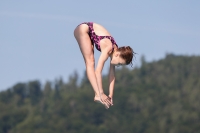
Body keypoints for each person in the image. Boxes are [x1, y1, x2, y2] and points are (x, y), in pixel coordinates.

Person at [74, 22, 135, 109]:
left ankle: (98, 94)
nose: (118, 65)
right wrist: (101, 93)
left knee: (91, 60)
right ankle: (97, 94)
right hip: (83, 29)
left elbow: (112, 75)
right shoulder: (108, 48)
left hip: (90, 34)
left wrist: (110, 95)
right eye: (119, 63)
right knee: (90, 61)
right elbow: (98, 71)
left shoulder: (115, 51)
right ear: (117, 55)